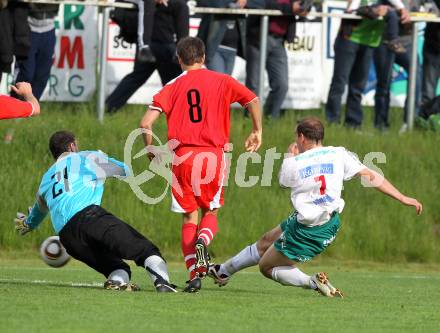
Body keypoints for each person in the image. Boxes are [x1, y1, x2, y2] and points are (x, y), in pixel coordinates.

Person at [209, 117, 422, 297]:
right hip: (321, 219)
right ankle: (224, 271)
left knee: (266, 267)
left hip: (310, 229)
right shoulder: (339, 153)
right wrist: (402, 197)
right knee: (266, 240)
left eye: (296, 137)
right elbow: (371, 175)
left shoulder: (295, 161)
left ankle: (313, 282)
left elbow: (284, 182)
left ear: (301, 137)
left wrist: (290, 156)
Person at [140, 37, 262, 292]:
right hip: (212, 156)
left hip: (182, 157)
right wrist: (257, 130)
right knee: (211, 212)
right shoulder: (222, 80)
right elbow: (252, 100)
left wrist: (151, 149)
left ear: (179, 58)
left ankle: (195, 273)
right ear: (204, 57)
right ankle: (203, 242)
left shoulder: (173, 85)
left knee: (188, 217)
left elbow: (145, 123)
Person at [14, 131, 176, 293]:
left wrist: (28, 223)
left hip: (67, 237)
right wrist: (103, 158)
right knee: (146, 250)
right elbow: (124, 170)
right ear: (72, 146)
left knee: (117, 268)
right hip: (89, 217)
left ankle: (116, 281)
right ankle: (163, 283)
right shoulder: (85, 157)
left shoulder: (46, 178)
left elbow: (39, 210)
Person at [325, 1, 410, 128]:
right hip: (348, 40)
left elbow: (399, 9)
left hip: (369, 43)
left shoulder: (390, 3)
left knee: (358, 86)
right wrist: (371, 10)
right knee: (339, 83)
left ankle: (353, 124)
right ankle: (332, 121)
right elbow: (351, 10)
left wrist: (400, 9)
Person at [106, 0, 189, 113]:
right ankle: (108, 108)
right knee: (138, 79)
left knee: (172, 83)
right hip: (150, 45)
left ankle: (108, 108)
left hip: (165, 44)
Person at [245, 0, 307, 118]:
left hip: (279, 41)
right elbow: (260, 3)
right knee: (254, 84)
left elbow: (300, 6)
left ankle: (269, 119)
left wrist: (303, 9)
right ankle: (250, 119)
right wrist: (290, 8)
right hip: (258, 37)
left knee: (281, 85)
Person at [13, 3, 59, 100]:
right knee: (26, 73)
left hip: (49, 30)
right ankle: (15, 105)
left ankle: (31, 107)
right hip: (28, 29)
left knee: (42, 75)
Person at [197, 0, 247, 75]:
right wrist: (233, 3)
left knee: (225, 83)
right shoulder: (219, 2)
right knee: (221, 80)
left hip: (232, 50)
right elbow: (206, 3)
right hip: (215, 49)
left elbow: (259, 4)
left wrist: (243, 2)